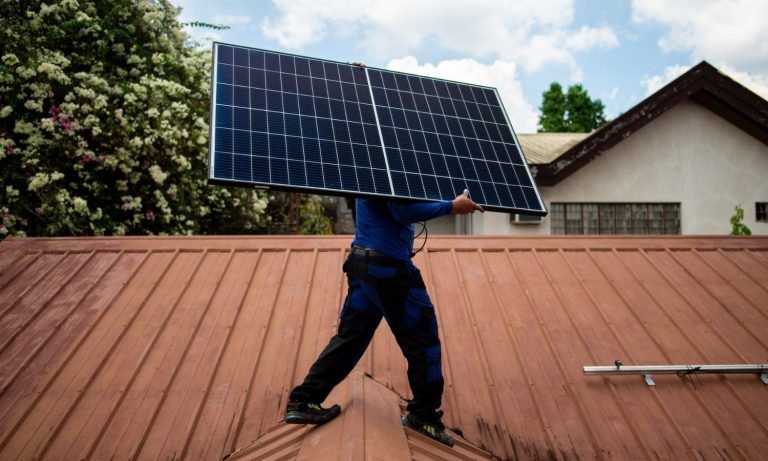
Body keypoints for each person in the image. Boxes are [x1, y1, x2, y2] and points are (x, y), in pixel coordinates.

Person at [285, 189, 483, 447]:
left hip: (362, 263)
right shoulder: (391, 159)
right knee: (424, 341)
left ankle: (304, 399)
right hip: (388, 271)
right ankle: (423, 416)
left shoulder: (373, 158)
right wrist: (450, 206)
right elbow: (402, 211)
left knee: (351, 338)